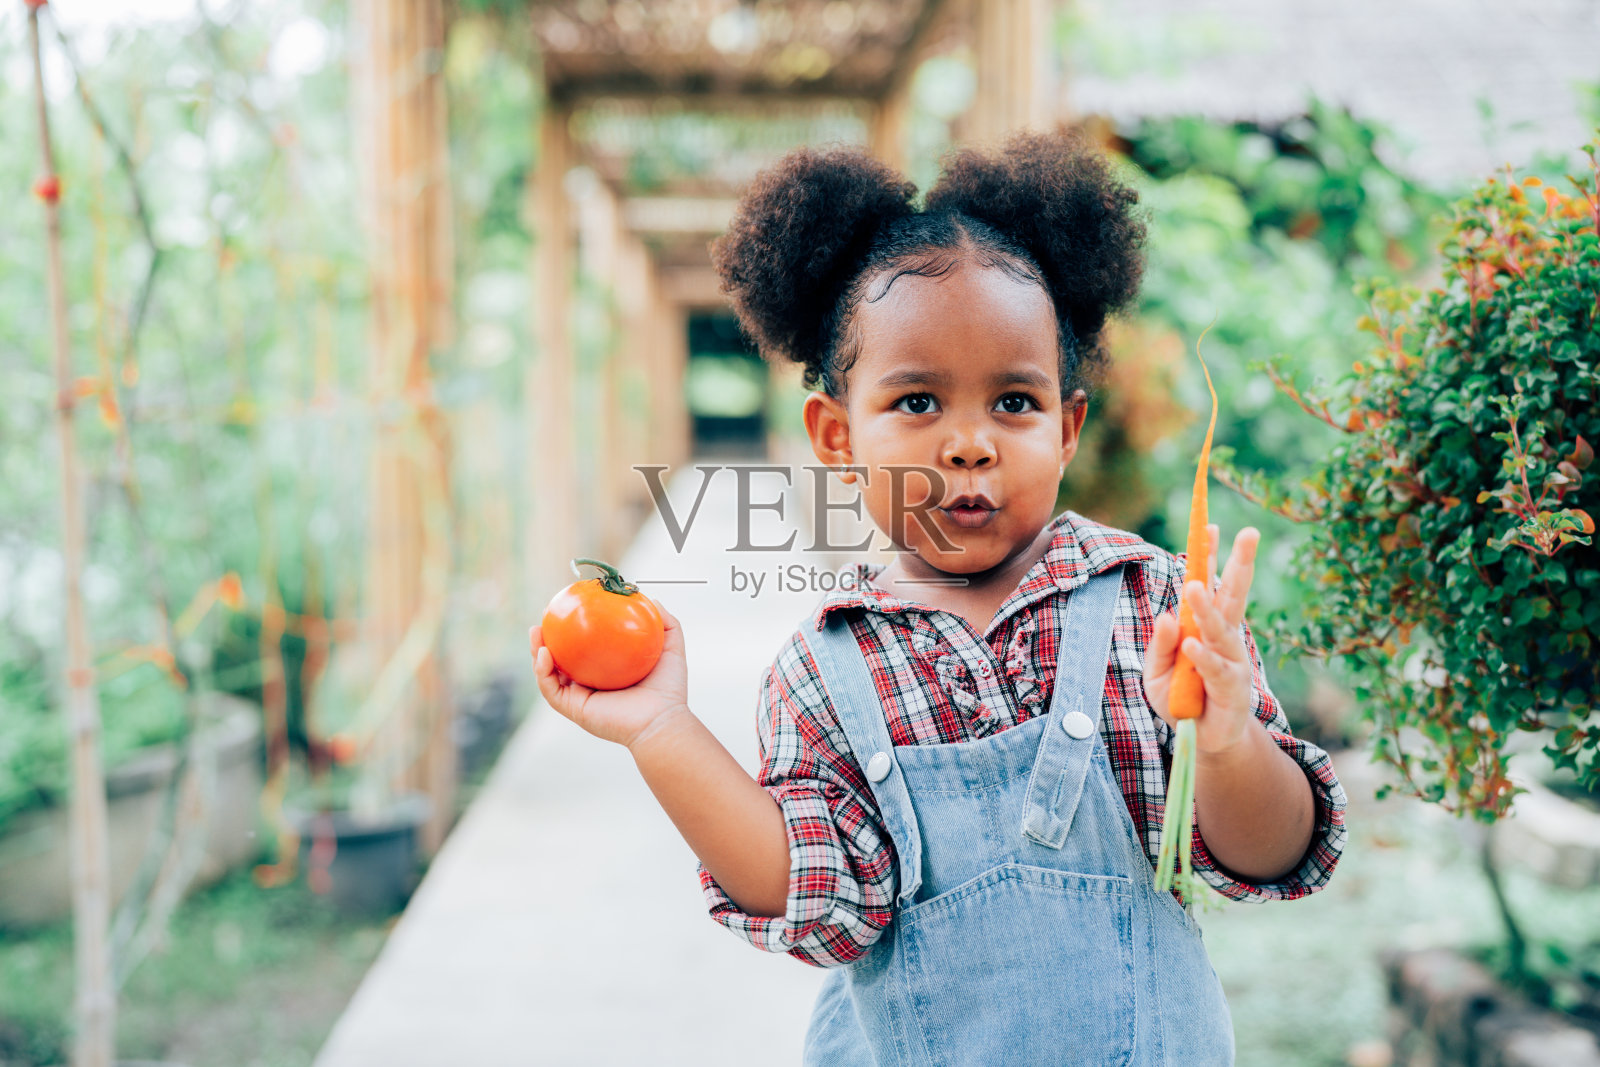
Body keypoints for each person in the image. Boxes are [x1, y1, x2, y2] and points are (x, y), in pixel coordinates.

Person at [529, 129, 1348, 1066]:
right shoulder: (823, 672)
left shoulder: (1154, 607)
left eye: (1014, 402)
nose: (969, 443)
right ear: (837, 437)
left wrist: (1230, 737)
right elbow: (813, 898)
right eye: (918, 402)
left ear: (1068, 427)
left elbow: (1270, 854)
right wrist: (662, 731)